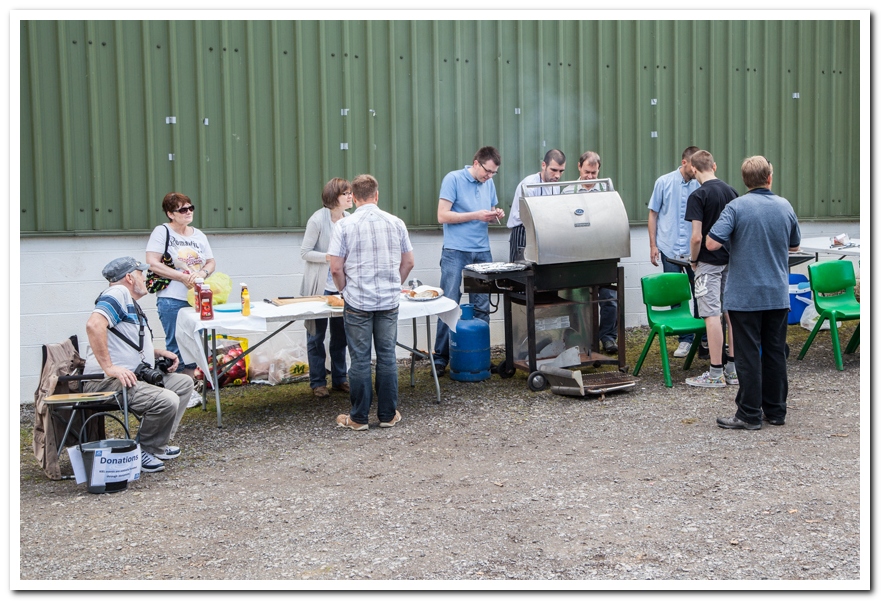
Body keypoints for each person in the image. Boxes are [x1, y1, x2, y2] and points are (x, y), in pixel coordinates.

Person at [707, 156, 800, 430]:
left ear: (745, 181)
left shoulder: (736, 207)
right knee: (774, 352)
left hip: (744, 295)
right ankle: (776, 411)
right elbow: (794, 245)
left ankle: (748, 414)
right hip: (776, 294)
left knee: (747, 354)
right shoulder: (785, 206)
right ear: (769, 177)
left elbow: (712, 243)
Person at [82, 257, 193, 472]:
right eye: (141, 273)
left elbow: (125, 342)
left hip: (131, 376)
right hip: (104, 382)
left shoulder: (128, 302)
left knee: (183, 384)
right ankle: (141, 451)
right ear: (129, 278)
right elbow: (94, 325)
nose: (146, 277)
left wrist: (157, 352)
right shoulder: (117, 293)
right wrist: (109, 368)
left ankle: (157, 446)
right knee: (167, 398)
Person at [328, 174, 415, 431]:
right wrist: (393, 283)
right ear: (377, 195)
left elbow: (335, 268)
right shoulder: (396, 222)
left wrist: (345, 289)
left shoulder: (344, 225)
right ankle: (388, 415)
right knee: (387, 357)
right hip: (388, 301)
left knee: (360, 359)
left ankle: (358, 418)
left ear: (353, 198)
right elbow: (409, 262)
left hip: (357, 302)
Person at [432, 146, 506, 376]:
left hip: (482, 250)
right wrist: (476, 214)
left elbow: (487, 214)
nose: (490, 176)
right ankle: (441, 357)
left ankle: (480, 355)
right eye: (487, 171)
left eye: (494, 173)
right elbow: (442, 215)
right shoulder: (453, 179)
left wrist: (494, 215)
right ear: (476, 163)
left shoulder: (489, 183)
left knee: (482, 306)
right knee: (449, 302)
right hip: (456, 251)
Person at [146, 192, 215, 408]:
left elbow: (211, 261)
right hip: (171, 297)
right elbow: (152, 263)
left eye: (190, 208)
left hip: (197, 297)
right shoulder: (162, 231)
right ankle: (176, 389)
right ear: (170, 214)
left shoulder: (198, 235)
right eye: (182, 210)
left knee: (196, 341)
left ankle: (192, 385)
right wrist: (181, 277)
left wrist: (202, 274)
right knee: (175, 343)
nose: (188, 213)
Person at [684, 150, 740, 388]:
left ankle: (715, 373)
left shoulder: (698, 196)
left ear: (694, 169)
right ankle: (733, 370)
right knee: (732, 314)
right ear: (714, 166)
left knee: (711, 315)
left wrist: (694, 261)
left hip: (708, 262)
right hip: (731, 260)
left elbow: (696, 237)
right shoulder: (732, 192)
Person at [647, 146, 706, 358]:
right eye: (694, 165)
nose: (697, 169)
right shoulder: (663, 182)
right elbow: (653, 214)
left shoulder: (701, 183)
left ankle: (704, 339)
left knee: (700, 291)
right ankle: (685, 340)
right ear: (684, 163)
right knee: (677, 295)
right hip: (669, 247)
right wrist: (653, 245)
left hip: (694, 250)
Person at [300, 178, 353, 398]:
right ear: (333, 198)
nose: (350, 196)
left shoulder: (350, 219)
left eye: (351, 193)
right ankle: (318, 382)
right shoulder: (317, 220)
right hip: (319, 286)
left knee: (341, 336)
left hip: (341, 287)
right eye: (345, 193)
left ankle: (340, 378)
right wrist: (328, 257)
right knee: (316, 335)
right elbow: (305, 252)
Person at [564, 151, 617, 353]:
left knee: (609, 298)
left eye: (594, 173)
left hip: (601, 253)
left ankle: (608, 338)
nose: (590, 177)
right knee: (576, 300)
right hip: (577, 254)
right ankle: (578, 339)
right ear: (579, 167)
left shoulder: (607, 191)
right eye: (587, 172)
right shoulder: (567, 192)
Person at [507, 149, 566, 262]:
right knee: (520, 272)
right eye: (553, 170)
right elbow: (526, 216)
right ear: (543, 165)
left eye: (561, 171)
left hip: (545, 232)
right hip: (523, 231)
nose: (557, 175)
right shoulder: (529, 184)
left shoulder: (556, 185)